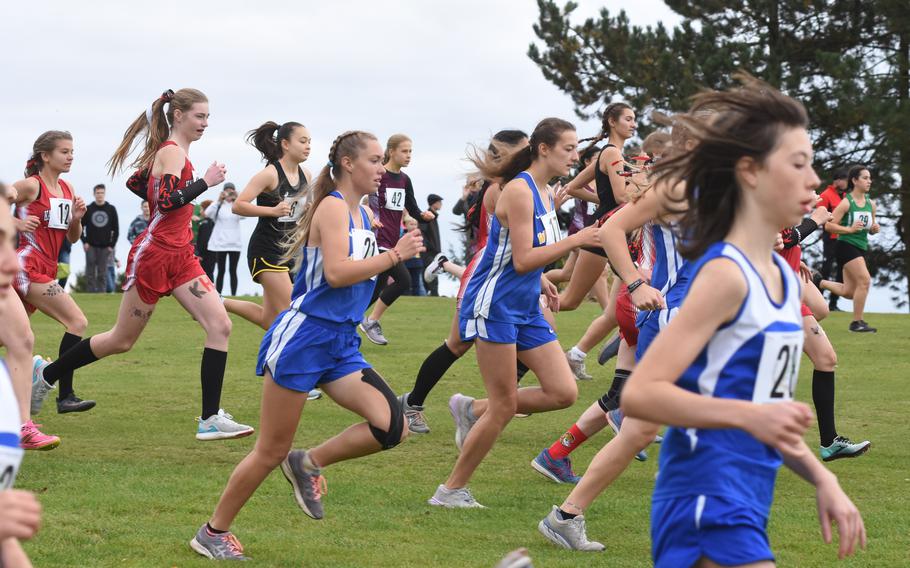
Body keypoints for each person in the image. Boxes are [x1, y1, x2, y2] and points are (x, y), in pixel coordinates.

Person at [621, 76, 864, 565]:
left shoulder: (779, 274)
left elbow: (767, 410)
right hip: (704, 500)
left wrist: (824, 478)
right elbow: (641, 393)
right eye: (798, 164)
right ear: (750, 171)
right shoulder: (725, 276)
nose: (814, 179)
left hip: (748, 499)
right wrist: (749, 415)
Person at [189, 131, 423, 560]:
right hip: (304, 339)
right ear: (349, 164)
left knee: (393, 427)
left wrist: (387, 249)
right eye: (374, 161)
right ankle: (212, 532)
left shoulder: (361, 211)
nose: (381, 169)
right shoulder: (333, 207)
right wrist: (394, 256)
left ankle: (309, 462)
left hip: (340, 342)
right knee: (269, 449)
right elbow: (335, 273)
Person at [31, 88, 253, 440]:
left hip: (181, 255)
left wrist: (169, 191)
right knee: (121, 340)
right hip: (155, 255)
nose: (205, 124)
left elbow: (139, 183)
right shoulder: (171, 153)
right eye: (199, 116)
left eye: (207, 117)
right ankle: (46, 374)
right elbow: (164, 201)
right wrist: (205, 183)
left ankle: (210, 418)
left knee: (220, 325)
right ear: (177, 115)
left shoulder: (173, 154)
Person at [428, 118, 601, 508]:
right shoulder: (521, 190)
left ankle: (469, 409)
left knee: (563, 392)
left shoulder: (541, 189)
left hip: (523, 303)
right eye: (569, 149)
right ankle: (450, 491)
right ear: (544, 149)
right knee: (504, 405)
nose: (576, 157)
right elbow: (521, 259)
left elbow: (521, 254)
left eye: (576, 149)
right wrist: (575, 240)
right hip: (495, 304)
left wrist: (541, 279)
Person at [398, 129, 528, 435]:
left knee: (531, 340)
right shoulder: (503, 190)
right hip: (487, 275)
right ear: (504, 156)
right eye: (523, 151)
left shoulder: (513, 186)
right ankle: (421, 404)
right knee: (456, 345)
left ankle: (502, 402)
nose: (530, 156)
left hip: (503, 277)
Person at [13, 130, 96, 416]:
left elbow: (73, 238)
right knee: (77, 321)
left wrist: (76, 219)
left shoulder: (69, 189)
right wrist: (15, 223)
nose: (70, 156)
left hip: (46, 266)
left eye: (72, 151)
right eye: (64, 151)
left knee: (8, 337)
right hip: (27, 265)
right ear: (45, 156)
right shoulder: (30, 186)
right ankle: (64, 394)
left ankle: (42, 377)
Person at [777, 221, 871, 462]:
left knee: (826, 357)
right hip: (776, 297)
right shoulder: (773, 199)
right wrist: (817, 219)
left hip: (790, 294)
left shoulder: (786, 203)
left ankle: (830, 442)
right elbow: (784, 238)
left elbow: (785, 242)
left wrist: (795, 257)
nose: (812, 191)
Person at [226, 121, 312, 331]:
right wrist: (272, 211)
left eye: (309, 141)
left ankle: (216, 300)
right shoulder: (270, 174)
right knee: (293, 313)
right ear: (285, 144)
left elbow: (300, 214)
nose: (308, 146)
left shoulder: (306, 175)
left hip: (291, 252)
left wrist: (309, 212)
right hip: (266, 251)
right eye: (302, 141)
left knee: (270, 320)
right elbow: (238, 206)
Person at [360, 133, 434, 345]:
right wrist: (369, 216)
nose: (409, 155)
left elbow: (411, 207)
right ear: (391, 151)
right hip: (377, 240)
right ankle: (370, 321)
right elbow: (361, 199)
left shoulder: (404, 180)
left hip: (393, 241)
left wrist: (424, 216)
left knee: (375, 291)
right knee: (403, 280)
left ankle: (345, 319)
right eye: (404, 151)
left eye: (411, 151)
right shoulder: (378, 174)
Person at [814, 165, 878, 332]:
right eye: (865, 178)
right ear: (854, 181)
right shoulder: (846, 203)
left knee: (849, 292)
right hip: (845, 246)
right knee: (864, 280)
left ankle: (818, 282)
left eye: (869, 178)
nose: (869, 181)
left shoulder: (871, 204)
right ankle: (857, 323)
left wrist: (873, 229)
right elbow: (828, 225)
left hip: (860, 246)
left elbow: (869, 228)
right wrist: (849, 230)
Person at [205, 183, 245, 296]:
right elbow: (207, 213)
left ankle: (234, 295)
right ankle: (219, 295)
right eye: (227, 191)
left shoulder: (236, 206)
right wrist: (219, 200)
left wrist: (238, 198)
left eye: (231, 191)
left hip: (235, 244)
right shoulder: (218, 205)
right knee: (221, 271)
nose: (229, 193)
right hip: (221, 243)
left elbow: (244, 215)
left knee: (233, 271)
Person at [817, 168, 848, 311]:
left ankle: (833, 304)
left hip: (844, 237)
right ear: (837, 181)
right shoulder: (826, 195)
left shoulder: (847, 196)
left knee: (842, 270)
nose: (846, 182)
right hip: (830, 237)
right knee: (827, 268)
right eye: (843, 179)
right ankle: (818, 301)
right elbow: (819, 216)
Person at [81, 183, 119, 293]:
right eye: (98, 193)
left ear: (105, 194)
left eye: (102, 193)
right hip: (91, 245)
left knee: (103, 272)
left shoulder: (111, 209)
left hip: (105, 246)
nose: (100, 195)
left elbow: (116, 229)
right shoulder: (88, 209)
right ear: (94, 194)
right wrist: (84, 242)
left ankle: (102, 294)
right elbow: (80, 226)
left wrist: (111, 245)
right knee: (90, 272)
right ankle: (90, 294)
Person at [420, 193, 444, 296]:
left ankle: (434, 294)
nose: (441, 204)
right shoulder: (427, 216)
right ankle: (433, 295)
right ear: (433, 203)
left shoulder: (434, 216)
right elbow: (423, 233)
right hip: (429, 253)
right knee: (431, 273)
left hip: (434, 252)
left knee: (434, 273)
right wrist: (429, 247)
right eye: (439, 202)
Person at [403, 216, 426, 296]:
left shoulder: (420, 236)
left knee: (416, 282)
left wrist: (419, 248)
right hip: (406, 261)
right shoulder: (403, 236)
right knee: (406, 281)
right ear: (405, 225)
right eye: (411, 224)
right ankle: (406, 297)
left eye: (415, 224)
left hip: (417, 262)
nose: (413, 226)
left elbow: (424, 247)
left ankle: (416, 297)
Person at [194, 199, 216, 281]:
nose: (200, 212)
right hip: (212, 253)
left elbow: (204, 240)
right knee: (210, 273)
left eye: (202, 209)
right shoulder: (213, 223)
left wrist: (200, 254)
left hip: (205, 254)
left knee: (205, 274)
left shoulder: (205, 224)